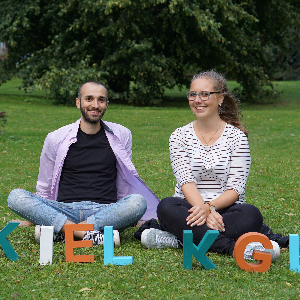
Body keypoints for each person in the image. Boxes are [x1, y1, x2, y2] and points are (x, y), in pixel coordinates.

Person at [141, 70, 280, 259]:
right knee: (166, 206)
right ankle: (234, 248)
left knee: (251, 215)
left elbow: (235, 188)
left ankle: (180, 239)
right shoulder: (179, 136)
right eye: (193, 94)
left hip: (227, 210)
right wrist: (203, 209)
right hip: (189, 208)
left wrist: (211, 208)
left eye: (205, 94)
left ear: (220, 98)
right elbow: (185, 181)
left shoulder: (237, 137)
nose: (198, 100)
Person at [7, 81, 159, 246]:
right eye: (89, 99)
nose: (95, 105)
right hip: (64, 209)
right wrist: (37, 215)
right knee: (16, 196)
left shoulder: (121, 135)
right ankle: (87, 234)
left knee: (138, 202)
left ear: (107, 104)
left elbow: (124, 180)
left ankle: (63, 233)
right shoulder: (56, 138)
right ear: (78, 102)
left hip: (104, 210)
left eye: (101, 100)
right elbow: (45, 183)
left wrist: (132, 214)